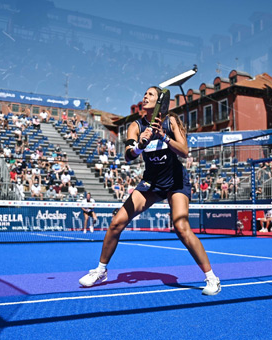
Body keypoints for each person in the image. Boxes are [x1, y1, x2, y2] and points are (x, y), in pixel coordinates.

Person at [78, 86, 220, 295]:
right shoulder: (135, 126)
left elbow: (184, 150)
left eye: (150, 95)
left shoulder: (170, 121)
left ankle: (212, 278)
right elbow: (128, 156)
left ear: (160, 103)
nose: (145, 97)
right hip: (151, 182)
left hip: (176, 181)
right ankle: (100, 271)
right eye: (144, 94)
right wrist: (139, 145)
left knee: (181, 227)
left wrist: (163, 136)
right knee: (117, 222)